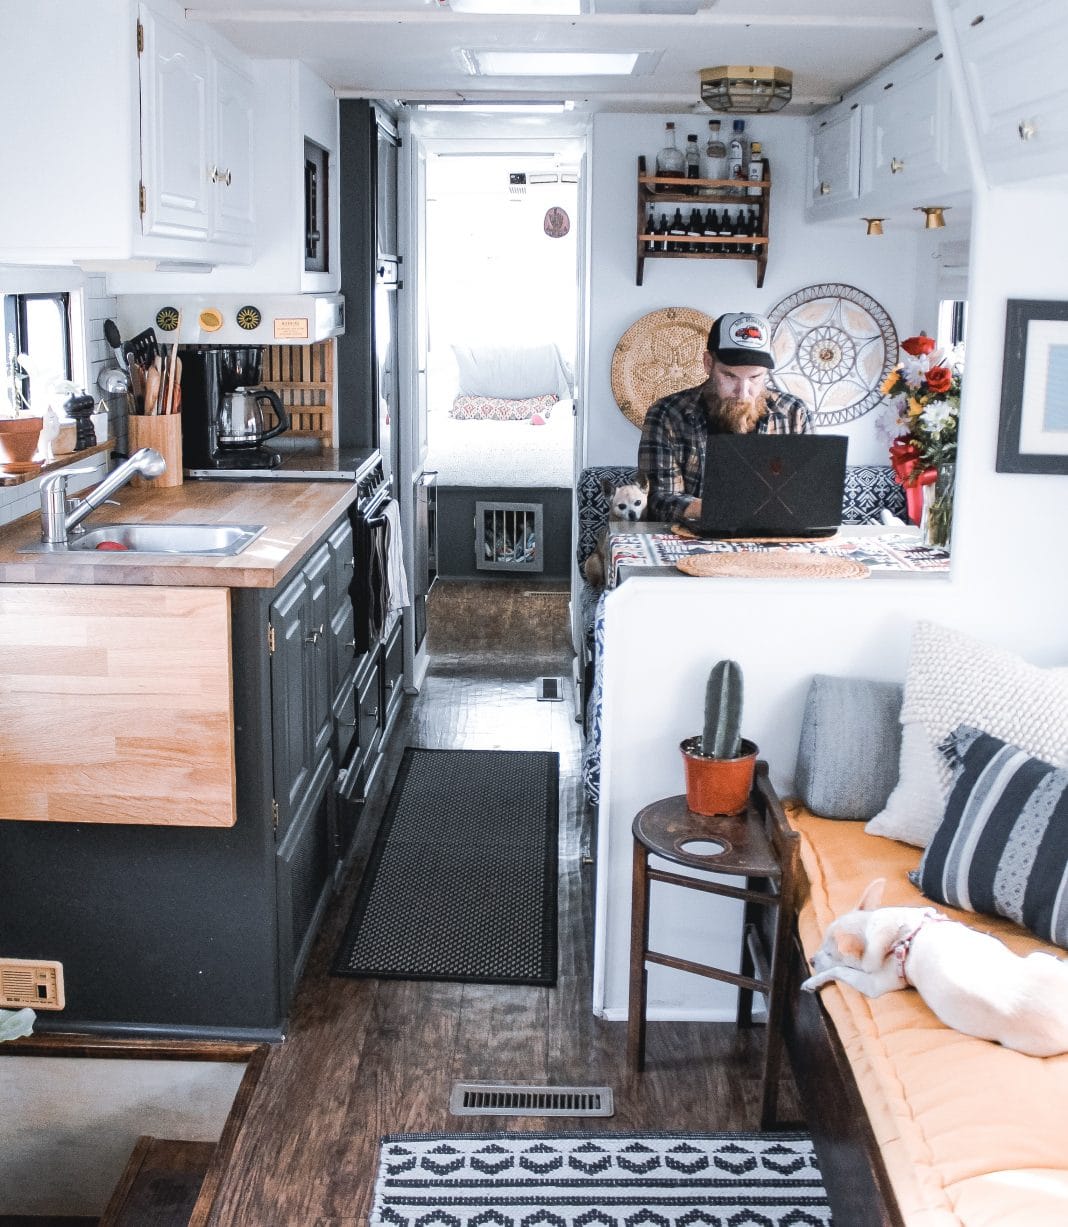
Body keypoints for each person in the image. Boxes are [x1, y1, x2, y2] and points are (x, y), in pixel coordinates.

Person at [638, 311, 811, 522]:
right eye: (729, 376)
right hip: (693, 539)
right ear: (708, 363)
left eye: (755, 377)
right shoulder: (667, 414)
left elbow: (805, 494)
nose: (743, 392)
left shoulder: (794, 413)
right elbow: (660, 499)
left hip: (774, 538)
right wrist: (728, 509)